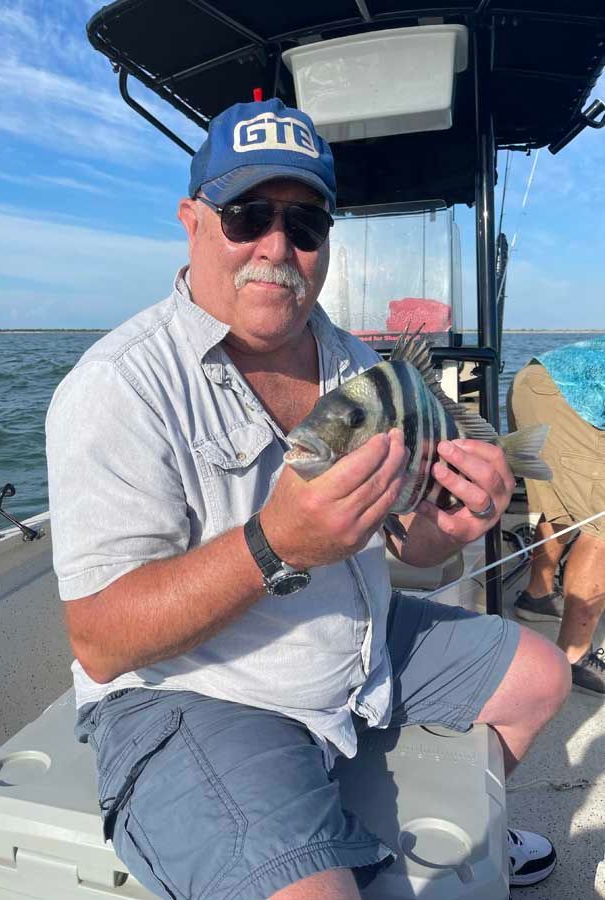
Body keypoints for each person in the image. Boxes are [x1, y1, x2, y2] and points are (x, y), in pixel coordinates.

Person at [46, 98, 571, 900]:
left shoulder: (356, 362)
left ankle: (476, 822)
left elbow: (409, 547)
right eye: (246, 214)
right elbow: (101, 640)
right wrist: (275, 544)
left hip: (355, 647)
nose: (275, 247)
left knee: (539, 676)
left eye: (304, 225)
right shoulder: (119, 387)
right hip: (197, 689)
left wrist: (442, 534)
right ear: (193, 220)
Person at [508, 337, 605, 694]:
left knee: (559, 504)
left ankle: (539, 595)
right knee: (602, 524)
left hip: (535, 380)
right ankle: (575, 655)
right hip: (574, 394)